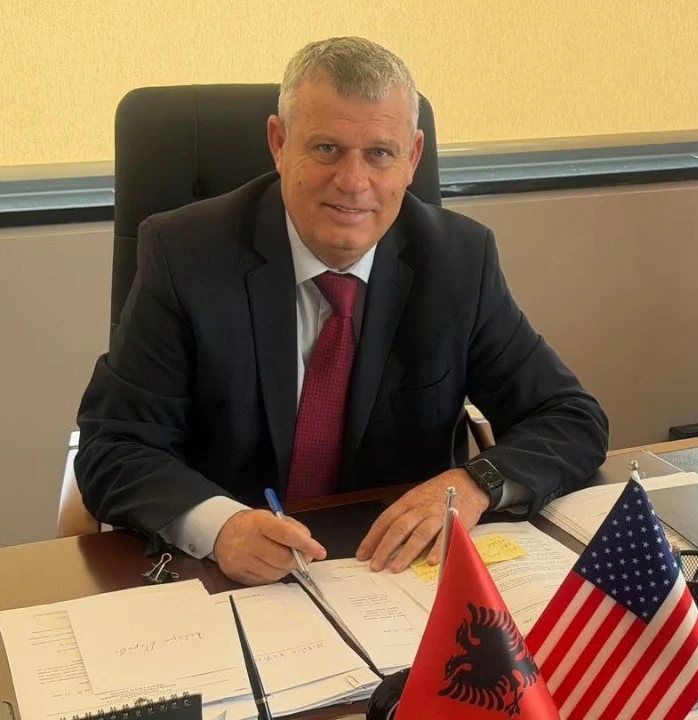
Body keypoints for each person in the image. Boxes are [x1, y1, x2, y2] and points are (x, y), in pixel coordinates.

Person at [75, 37, 609, 586]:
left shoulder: (458, 260)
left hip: (393, 576)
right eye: (327, 148)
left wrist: (473, 485)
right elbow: (115, 446)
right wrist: (219, 526)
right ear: (279, 143)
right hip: (230, 578)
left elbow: (570, 417)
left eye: (380, 153)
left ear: (412, 158)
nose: (354, 183)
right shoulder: (185, 255)